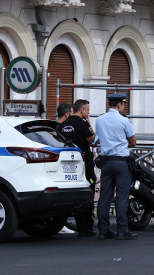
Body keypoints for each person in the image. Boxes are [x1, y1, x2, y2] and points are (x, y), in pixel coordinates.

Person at [94, 93, 137, 240]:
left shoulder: (99, 120)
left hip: (106, 162)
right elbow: (133, 141)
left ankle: (103, 230)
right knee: (122, 197)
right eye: (123, 104)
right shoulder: (124, 120)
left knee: (104, 197)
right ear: (119, 105)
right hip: (121, 162)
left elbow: (97, 139)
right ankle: (122, 230)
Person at [57, 99, 97, 237]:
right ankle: (86, 227)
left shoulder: (63, 125)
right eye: (88, 110)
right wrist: (89, 125)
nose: (88, 112)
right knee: (88, 192)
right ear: (82, 110)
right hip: (84, 162)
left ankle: (68, 224)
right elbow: (92, 140)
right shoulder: (83, 123)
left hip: (66, 163)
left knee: (71, 194)